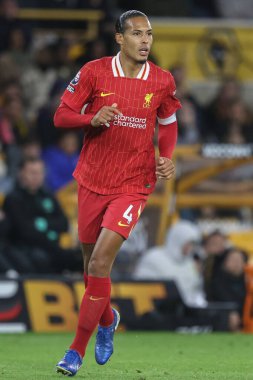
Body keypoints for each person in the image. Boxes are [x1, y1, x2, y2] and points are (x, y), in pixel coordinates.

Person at [54, 9, 181, 377]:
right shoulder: (94, 71)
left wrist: (166, 157)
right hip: (93, 178)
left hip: (134, 183)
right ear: (119, 38)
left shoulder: (161, 80)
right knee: (90, 270)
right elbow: (61, 115)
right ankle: (107, 319)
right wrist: (89, 118)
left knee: (99, 265)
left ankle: (75, 351)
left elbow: (168, 122)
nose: (145, 41)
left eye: (150, 34)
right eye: (138, 34)